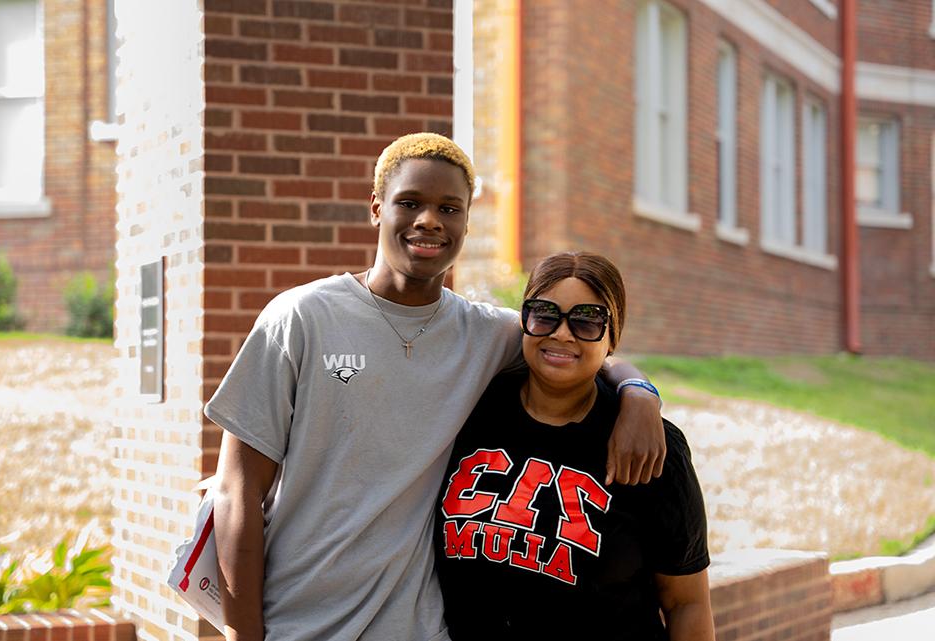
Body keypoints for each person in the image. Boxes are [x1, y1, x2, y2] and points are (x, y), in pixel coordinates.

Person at [206, 133, 666, 641]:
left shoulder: (488, 334)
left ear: (467, 222)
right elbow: (236, 490)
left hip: (419, 628)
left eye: (450, 207)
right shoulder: (300, 318)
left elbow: (572, 344)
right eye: (410, 202)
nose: (430, 220)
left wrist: (640, 393)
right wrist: (243, 634)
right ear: (377, 208)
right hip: (300, 622)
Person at [435, 252, 714, 641]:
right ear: (525, 321)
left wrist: (639, 394)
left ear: (612, 338)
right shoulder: (470, 410)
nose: (562, 333)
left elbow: (687, 603)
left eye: (587, 321)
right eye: (545, 313)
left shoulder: (650, 445)